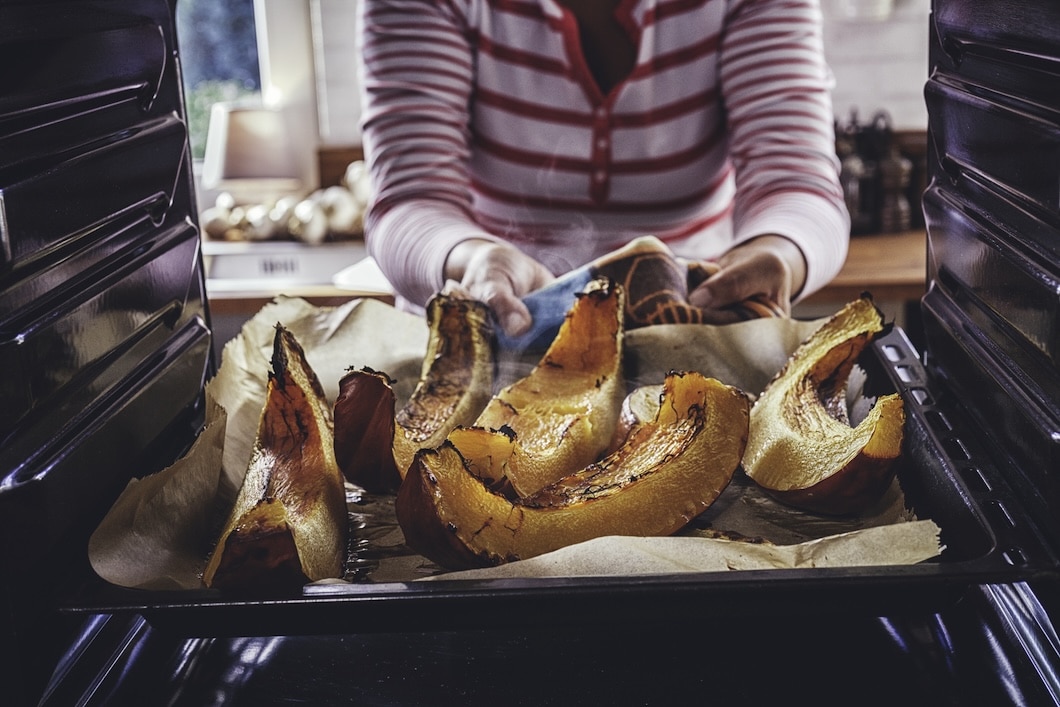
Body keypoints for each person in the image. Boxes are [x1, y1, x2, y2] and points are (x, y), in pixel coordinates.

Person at [356, 0, 849, 337]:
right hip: (488, 337)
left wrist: (778, 251)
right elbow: (411, 201)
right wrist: (474, 259)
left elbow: (795, 186)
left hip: (693, 338)